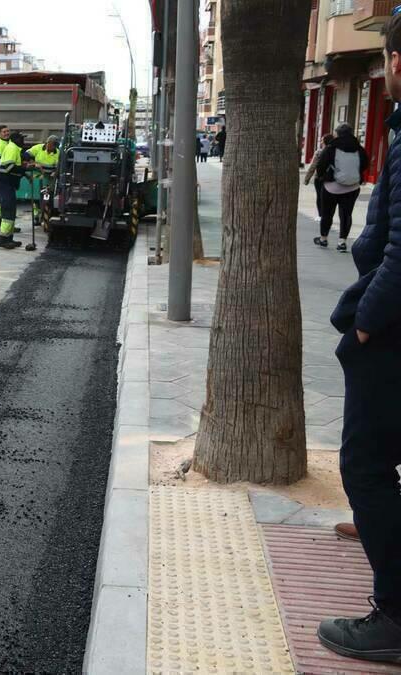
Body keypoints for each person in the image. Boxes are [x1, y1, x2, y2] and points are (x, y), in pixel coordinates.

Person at [319, 12, 401, 663]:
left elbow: (400, 251)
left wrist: (365, 326)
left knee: (366, 465)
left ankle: (393, 614)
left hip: (392, 332)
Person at [314, 123, 369, 252]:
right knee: (346, 214)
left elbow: (321, 165)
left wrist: (323, 177)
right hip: (352, 187)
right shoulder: (359, 148)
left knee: (327, 213)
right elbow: (365, 163)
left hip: (331, 187)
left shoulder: (331, 147)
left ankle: (323, 239)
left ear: (337, 133)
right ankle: (342, 242)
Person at [0, 130, 24, 249]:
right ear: (16, 140)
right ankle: (2, 238)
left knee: (11, 210)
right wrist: (24, 169)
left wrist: (25, 172)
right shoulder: (12, 148)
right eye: (22, 139)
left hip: (8, 183)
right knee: (8, 209)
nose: (23, 141)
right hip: (5, 183)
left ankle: (9, 238)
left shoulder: (14, 148)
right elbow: (9, 167)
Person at [305, 133, 337, 229]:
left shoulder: (319, 152)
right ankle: (328, 216)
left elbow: (312, 166)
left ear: (324, 141)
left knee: (320, 197)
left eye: (322, 140)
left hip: (319, 178)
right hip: (332, 179)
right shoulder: (336, 152)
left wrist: (307, 179)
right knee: (330, 199)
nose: (321, 141)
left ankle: (320, 215)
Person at [28, 135, 60, 222]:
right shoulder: (38, 148)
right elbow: (25, 155)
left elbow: (59, 166)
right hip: (37, 174)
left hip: (50, 177)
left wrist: (55, 172)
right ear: (48, 143)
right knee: (36, 196)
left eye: (55, 146)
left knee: (48, 195)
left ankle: (47, 214)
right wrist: (34, 163)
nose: (53, 148)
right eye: (53, 145)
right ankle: (36, 216)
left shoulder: (57, 152)